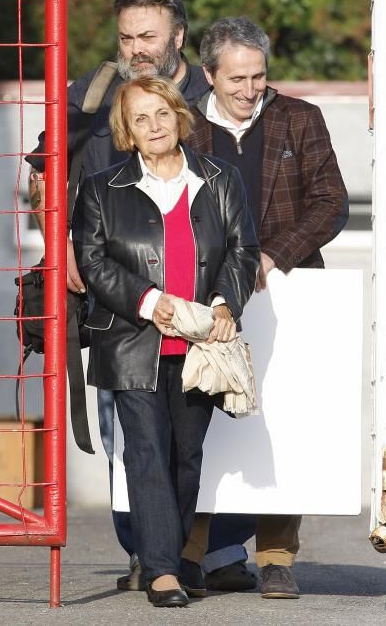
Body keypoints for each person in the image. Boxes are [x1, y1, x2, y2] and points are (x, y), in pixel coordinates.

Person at [23, 0, 211, 589]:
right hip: (111, 290)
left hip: (198, 293)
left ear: (177, 37)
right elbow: (44, 174)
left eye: (148, 36)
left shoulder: (213, 95)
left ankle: (194, 550)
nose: (137, 49)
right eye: (127, 36)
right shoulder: (88, 96)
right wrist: (62, 246)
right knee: (127, 434)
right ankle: (147, 554)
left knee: (191, 441)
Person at [71, 75, 259, 607]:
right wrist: (150, 302)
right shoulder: (102, 188)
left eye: (161, 114)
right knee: (147, 452)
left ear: (179, 116)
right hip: (133, 343)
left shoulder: (221, 179)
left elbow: (244, 250)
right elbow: (92, 261)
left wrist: (225, 303)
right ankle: (161, 571)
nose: (153, 126)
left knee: (187, 456)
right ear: (127, 132)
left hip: (201, 347)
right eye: (140, 119)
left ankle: (171, 558)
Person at [182, 16, 349, 599]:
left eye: (258, 76)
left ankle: (277, 559)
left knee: (285, 424)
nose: (250, 89)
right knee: (199, 420)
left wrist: (272, 256)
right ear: (208, 75)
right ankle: (189, 555)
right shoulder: (181, 125)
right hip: (204, 296)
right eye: (236, 79)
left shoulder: (300, 118)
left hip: (289, 292)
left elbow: (331, 203)